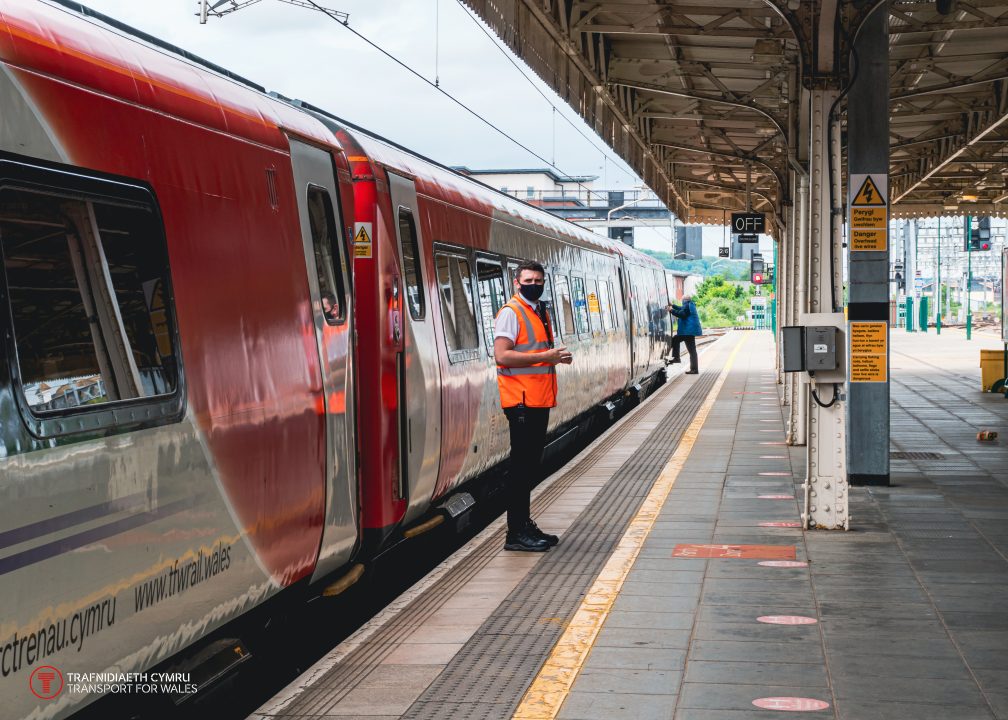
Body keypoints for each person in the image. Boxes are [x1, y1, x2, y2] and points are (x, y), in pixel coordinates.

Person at [494, 260, 573, 552]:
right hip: (522, 402)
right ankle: (515, 533)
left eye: (539, 281)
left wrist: (555, 358)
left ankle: (524, 524)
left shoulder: (538, 312)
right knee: (521, 468)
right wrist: (546, 357)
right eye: (529, 280)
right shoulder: (510, 313)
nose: (534, 285)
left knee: (528, 468)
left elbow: (537, 354)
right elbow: (502, 356)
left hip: (536, 400)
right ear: (517, 282)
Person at [669, 294, 702, 374]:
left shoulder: (687, 306)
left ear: (684, 300)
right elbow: (681, 309)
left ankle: (677, 358)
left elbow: (682, 314)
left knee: (675, 339)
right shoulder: (690, 305)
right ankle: (694, 369)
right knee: (692, 351)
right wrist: (672, 305)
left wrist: (671, 310)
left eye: (682, 300)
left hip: (687, 331)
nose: (682, 302)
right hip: (690, 331)